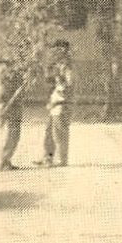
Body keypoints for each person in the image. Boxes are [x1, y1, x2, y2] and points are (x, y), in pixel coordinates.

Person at [40, 39, 74, 167]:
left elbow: (69, 84)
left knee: (59, 132)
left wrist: (59, 82)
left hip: (61, 102)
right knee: (50, 131)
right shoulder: (57, 65)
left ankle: (61, 160)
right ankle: (47, 157)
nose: (55, 52)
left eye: (58, 49)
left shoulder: (66, 66)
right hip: (54, 101)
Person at [0, 56, 25, 170]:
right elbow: (2, 93)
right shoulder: (2, 75)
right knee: (9, 134)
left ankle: (6, 160)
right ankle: (4, 161)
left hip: (10, 106)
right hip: (5, 106)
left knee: (13, 134)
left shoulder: (7, 73)